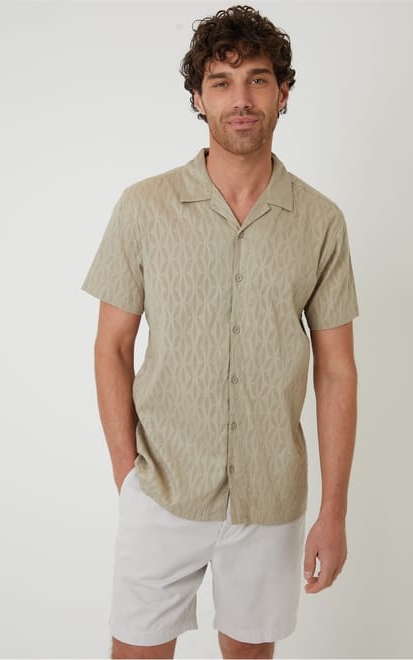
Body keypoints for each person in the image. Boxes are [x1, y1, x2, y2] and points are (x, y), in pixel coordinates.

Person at [81, 5, 359, 659]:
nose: (241, 100)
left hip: (271, 496)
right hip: (162, 488)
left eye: (258, 80)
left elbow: (337, 370)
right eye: (222, 82)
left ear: (283, 93)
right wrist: (128, 478)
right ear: (197, 98)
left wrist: (334, 512)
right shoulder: (144, 208)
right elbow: (112, 346)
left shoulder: (320, 222)